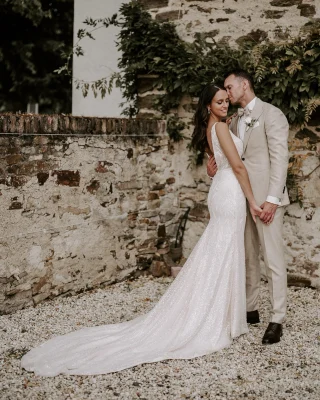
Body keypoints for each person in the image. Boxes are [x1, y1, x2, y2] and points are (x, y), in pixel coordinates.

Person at [21, 84, 262, 377]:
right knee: (223, 249)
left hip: (221, 189)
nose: (225, 105)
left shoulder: (212, 127)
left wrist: (218, 172)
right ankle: (215, 319)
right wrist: (253, 201)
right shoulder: (221, 128)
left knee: (221, 250)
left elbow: (218, 165)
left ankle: (222, 315)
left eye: (226, 101)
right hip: (230, 193)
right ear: (209, 106)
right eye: (220, 102)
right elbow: (237, 167)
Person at [207, 70, 289, 345]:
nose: (227, 93)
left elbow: (280, 159)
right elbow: (230, 157)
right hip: (240, 199)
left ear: (245, 85)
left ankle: (277, 317)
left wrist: (272, 200)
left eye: (230, 88)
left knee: (273, 259)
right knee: (248, 255)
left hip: (265, 200)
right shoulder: (231, 122)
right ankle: (250, 308)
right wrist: (212, 166)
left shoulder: (271, 114)